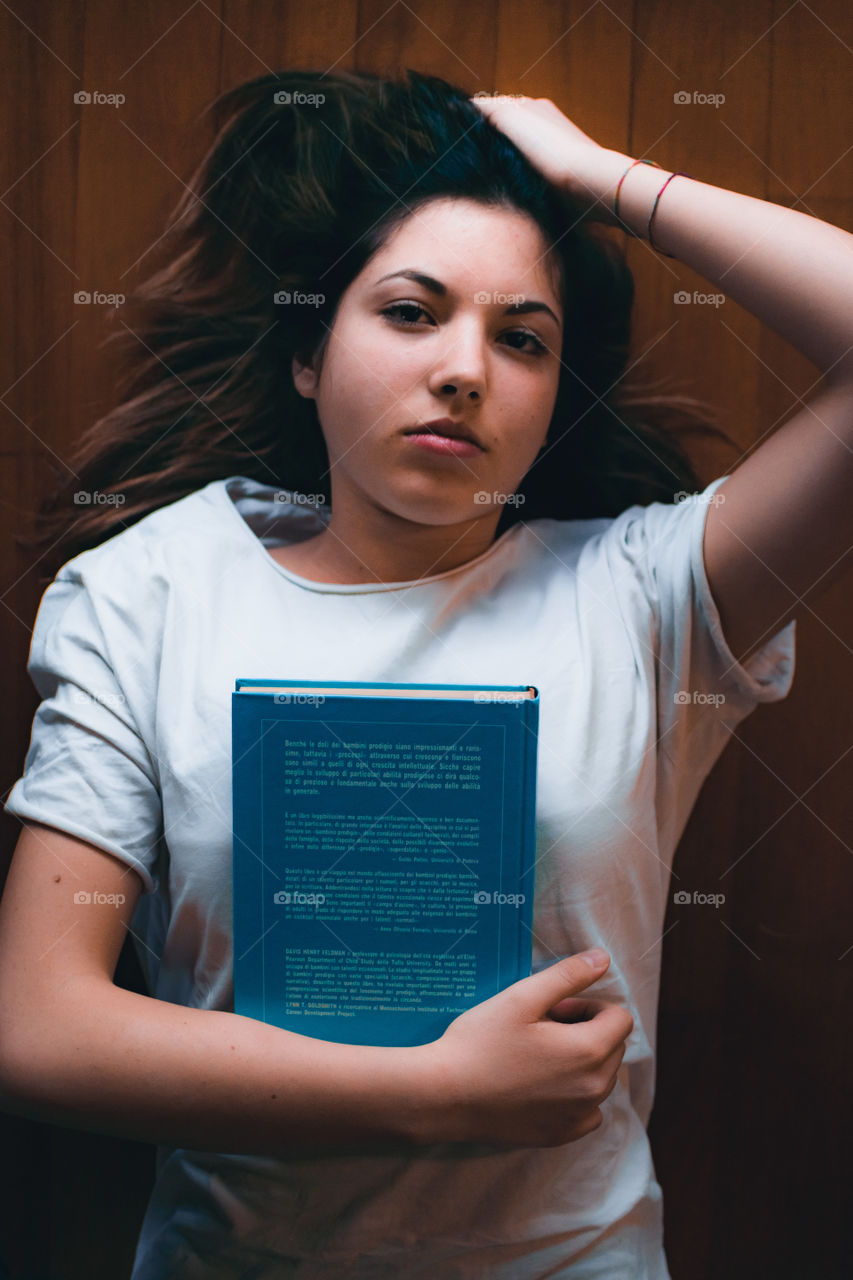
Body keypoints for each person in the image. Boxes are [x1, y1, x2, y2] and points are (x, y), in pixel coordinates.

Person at [0, 65, 849, 1279]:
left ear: (554, 394)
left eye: (521, 338)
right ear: (310, 353)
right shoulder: (151, 592)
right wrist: (434, 1092)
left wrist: (601, 179)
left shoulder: (647, 593)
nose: (465, 367)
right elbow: (38, 1020)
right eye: (410, 311)